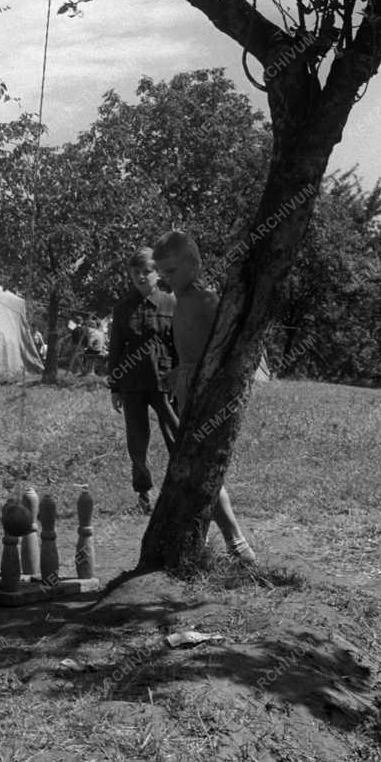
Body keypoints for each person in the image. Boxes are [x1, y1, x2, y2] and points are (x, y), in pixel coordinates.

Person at [152, 230, 256, 564]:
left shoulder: (206, 299)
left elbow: (227, 345)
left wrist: (204, 378)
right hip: (187, 390)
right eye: (162, 272)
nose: (167, 279)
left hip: (207, 394)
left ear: (194, 265)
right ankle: (228, 541)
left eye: (172, 270)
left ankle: (236, 542)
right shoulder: (182, 300)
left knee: (202, 465)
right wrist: (178, 373)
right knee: (193, 464)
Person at [109, 248, 181, 515]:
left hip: (165, 382)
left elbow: (180, 345)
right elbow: (115, 348)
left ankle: (178, 493)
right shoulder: (122, 308)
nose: (141, 277)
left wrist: (181, 375)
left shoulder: (171, 303)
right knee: (137, 441)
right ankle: (144, 494)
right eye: (135, 272)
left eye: (146, 271)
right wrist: (114, 387)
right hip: (132, 383)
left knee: (176, 435)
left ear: (157, 273)